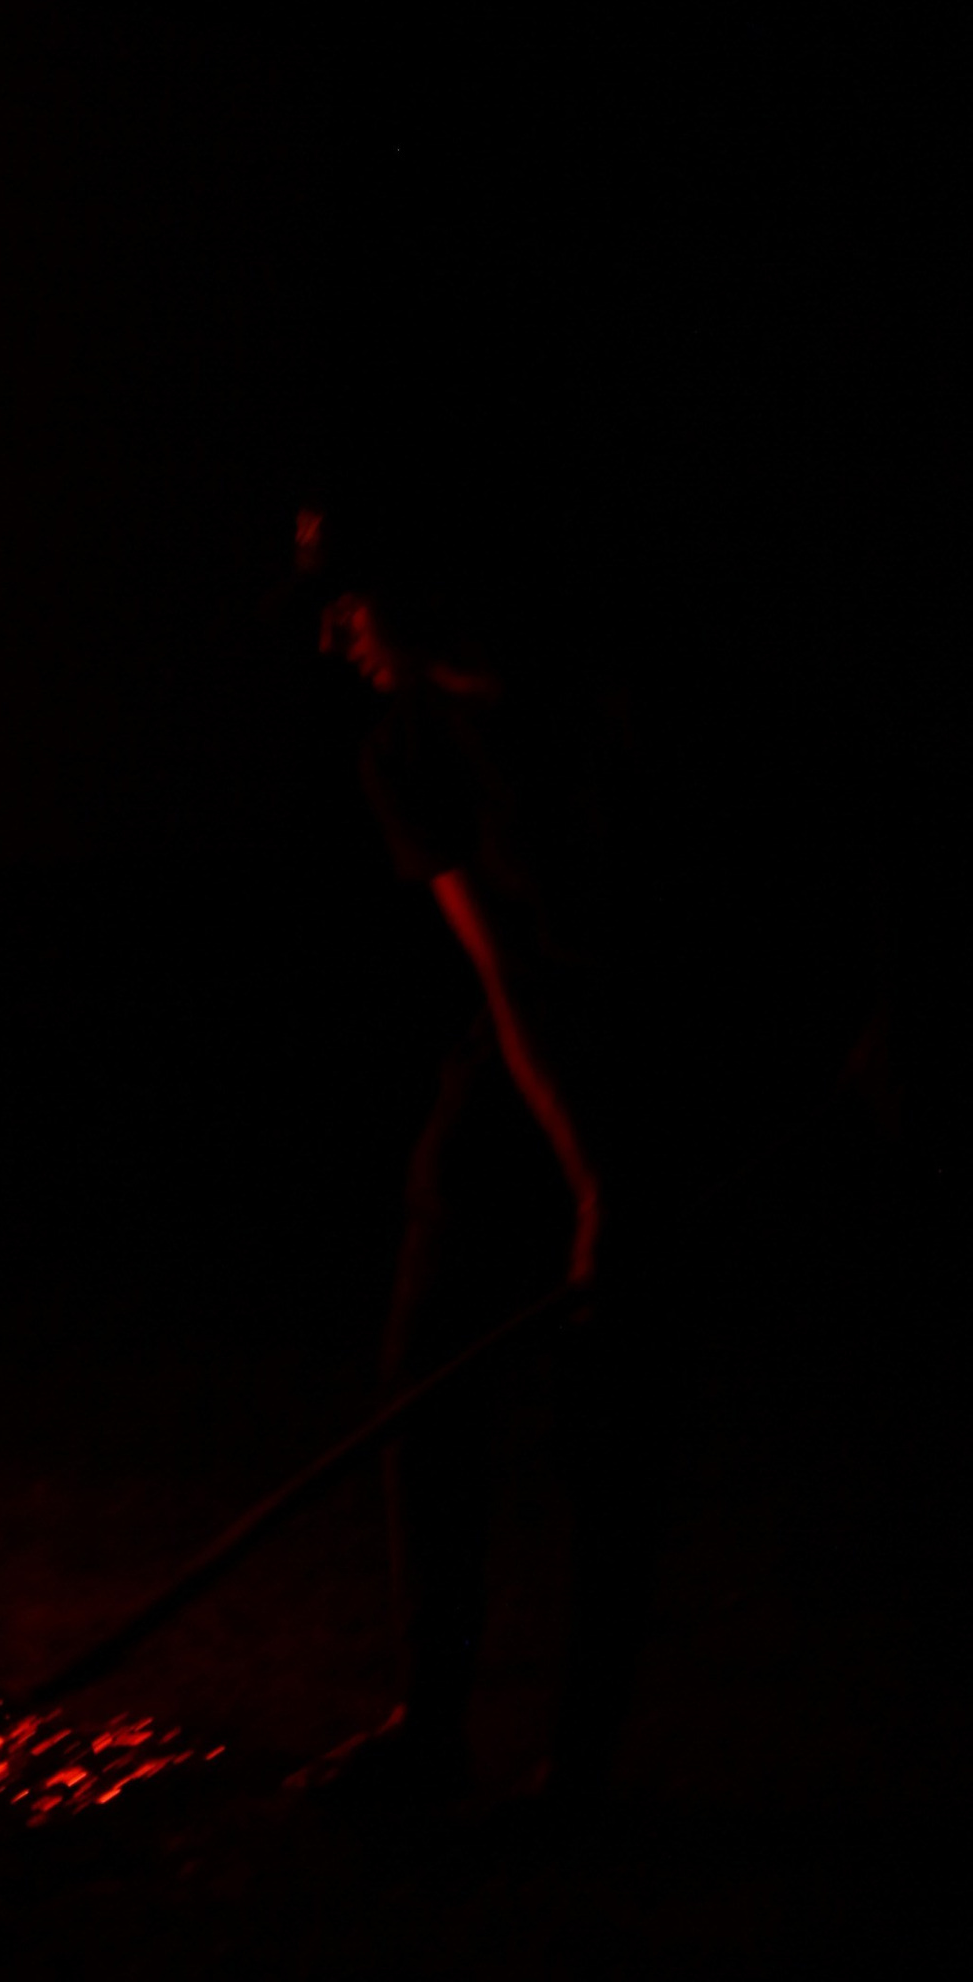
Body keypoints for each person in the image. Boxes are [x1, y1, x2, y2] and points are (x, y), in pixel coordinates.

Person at [289, 485, 687, 1815]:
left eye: (350, 597)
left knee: (610, 1393)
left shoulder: (616, 693)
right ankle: (430, 1723)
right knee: (428, 1361)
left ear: (420, 586)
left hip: (687, 1024)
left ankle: (583, 1753)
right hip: (534, 1042)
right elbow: (507, 974)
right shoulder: (406, 747)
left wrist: (628, 1186)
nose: (334, 631)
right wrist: (587, 1176)